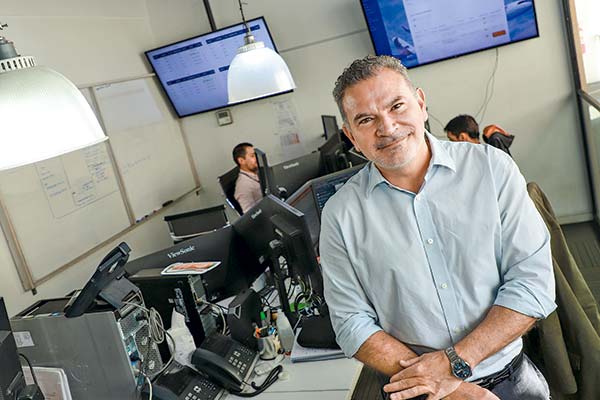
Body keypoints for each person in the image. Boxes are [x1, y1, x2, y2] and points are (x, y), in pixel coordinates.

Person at [320, 55, 555, 400]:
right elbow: (350, 322)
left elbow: (533, 282)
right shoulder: (340, 214)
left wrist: (454, 364)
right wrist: (453, 389)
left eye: (397, 106)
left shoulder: (491, 169)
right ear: (351, 136)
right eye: (366, 119)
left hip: (509, 378)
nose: (386, 127)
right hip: (415, 387)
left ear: (421, 103)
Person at [444, 114, 514, 156]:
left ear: (462, 137)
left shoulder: (486, 158)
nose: (450, 143)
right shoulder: (488, 154)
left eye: (452, 140)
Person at [232, 142, 262, 213]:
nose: (256, 158)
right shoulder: (243, 186)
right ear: (241, 161)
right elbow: (250, 216)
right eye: (252, 156)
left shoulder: (258, 172)